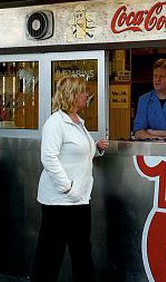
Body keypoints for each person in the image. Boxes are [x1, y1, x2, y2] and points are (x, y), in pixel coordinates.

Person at [31, 76, 108, 282]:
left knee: (81, 251)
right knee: (50, 254)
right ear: (72, 95)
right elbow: (48, 158)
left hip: (80, 199)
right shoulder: (56, 123)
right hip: (59, 201)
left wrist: (97, 150)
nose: (87, 96)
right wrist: (67, 188)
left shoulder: (78, 122)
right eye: (83, 92)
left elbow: (81, 152)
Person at [133, 58, 166, 140]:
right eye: (155, 76)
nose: (157, 80)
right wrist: (161, 138)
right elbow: (138, 132)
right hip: (150, 149)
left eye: (162, 76)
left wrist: (153, 132)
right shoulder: (144, 100)